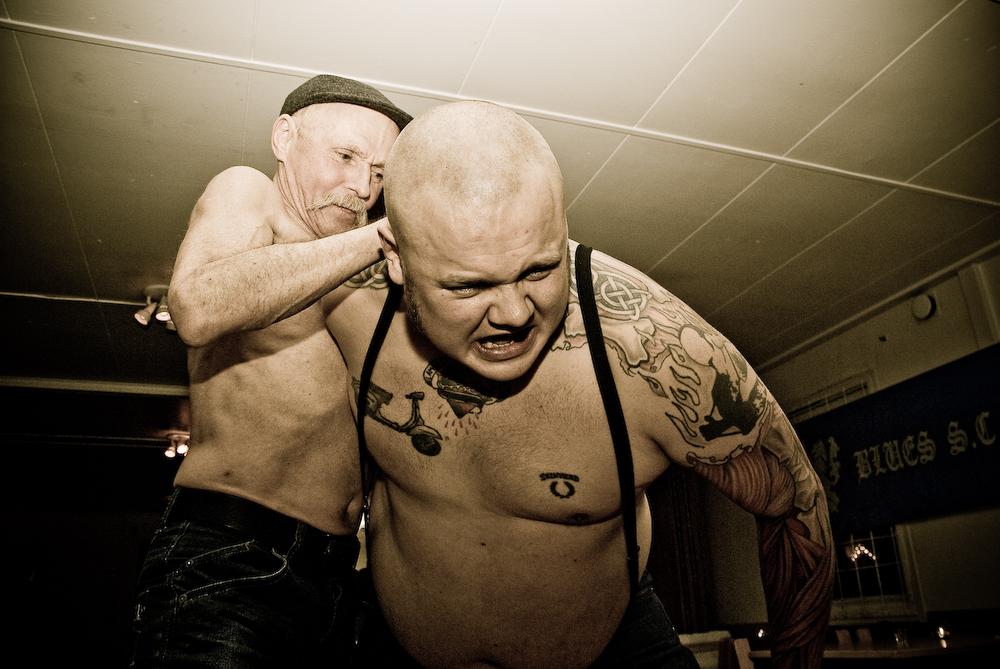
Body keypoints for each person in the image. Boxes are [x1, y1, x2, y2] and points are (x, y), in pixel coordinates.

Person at [323, 100, 834, 669]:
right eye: (468, 287)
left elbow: (794, 502)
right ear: (396, 258)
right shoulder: (349, 309)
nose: (515, 314)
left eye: (539, 270)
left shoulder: (655, 354)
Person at [130, 75, 411, 668]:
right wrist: (382, 236)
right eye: (346, 156)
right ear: (284, 137)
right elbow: (198, 306)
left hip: (341, 579)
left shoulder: (364, 268)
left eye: (379, 174)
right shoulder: (252, 192)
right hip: (232, 555)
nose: (363, 188)